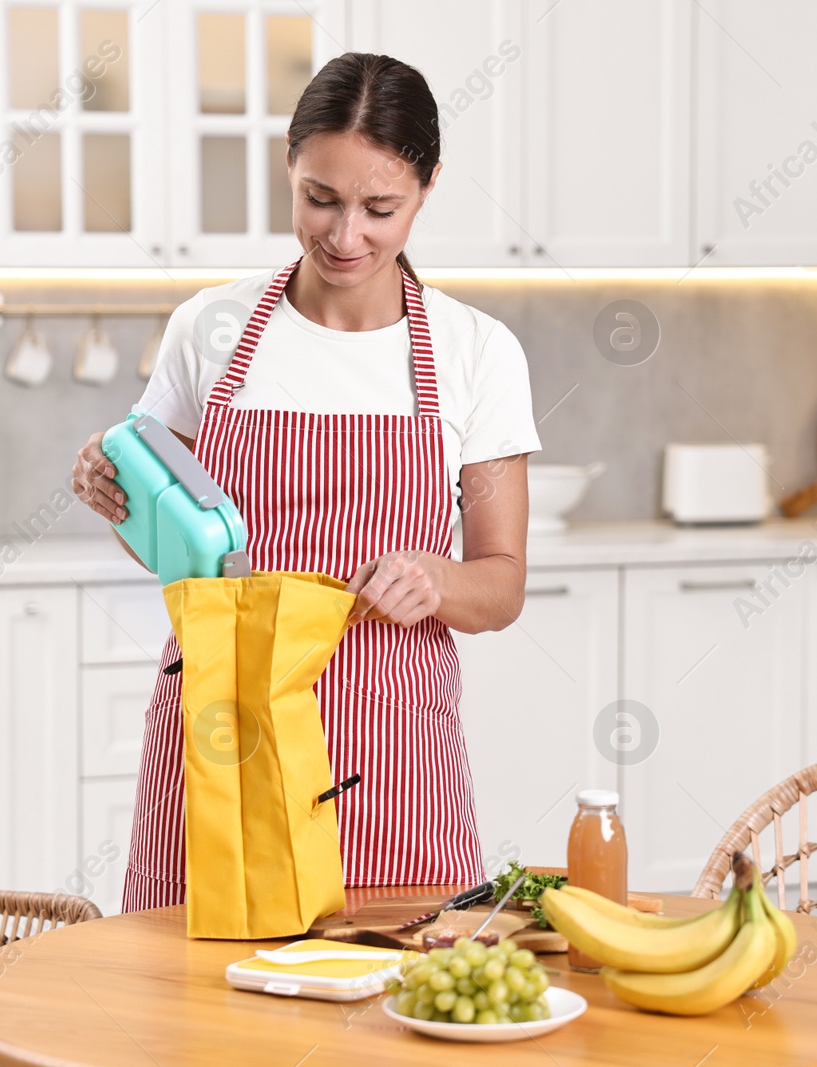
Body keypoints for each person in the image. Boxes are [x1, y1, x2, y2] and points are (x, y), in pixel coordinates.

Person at [71, 52, 541, 909]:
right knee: (195, 1016)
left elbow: (500, 585)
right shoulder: (209, 328)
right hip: (220, 731)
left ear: (427, 187)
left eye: (379, 208)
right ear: (290, 168)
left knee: (387, 1016)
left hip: (389, 751)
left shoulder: (478, 353)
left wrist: (436, 579)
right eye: (319, 198)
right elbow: (169, 547)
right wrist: (115, 493)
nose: (344, 235)